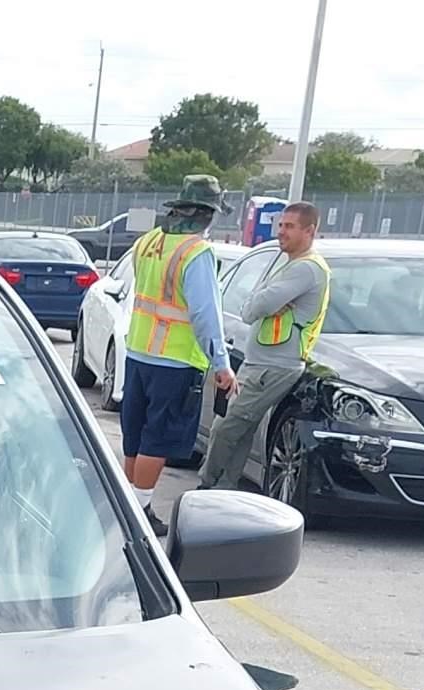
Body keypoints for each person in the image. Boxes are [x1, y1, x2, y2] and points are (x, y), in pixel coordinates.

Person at [118, 174, 235, 534]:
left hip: (139, 352)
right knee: (160, 436)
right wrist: (222, 365)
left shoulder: (149, 242)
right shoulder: (196, 252)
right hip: (176, 359)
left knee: (135, 436)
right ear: (206, 214)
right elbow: (205, 313)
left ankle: (128, 506)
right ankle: (140, 513)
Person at [201, 200, 331, 493]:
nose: (280, 232)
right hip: (261, 362)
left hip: (274, 366)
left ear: (309, 231)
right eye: (280, 225)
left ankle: (208, 483)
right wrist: (262, 301)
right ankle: (224, 488)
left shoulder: (306, 270)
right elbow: (257, 305)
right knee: (242, 429)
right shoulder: (291, 265)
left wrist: (262, 301)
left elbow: (253, 308)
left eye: (289, 227)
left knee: (228, 427)